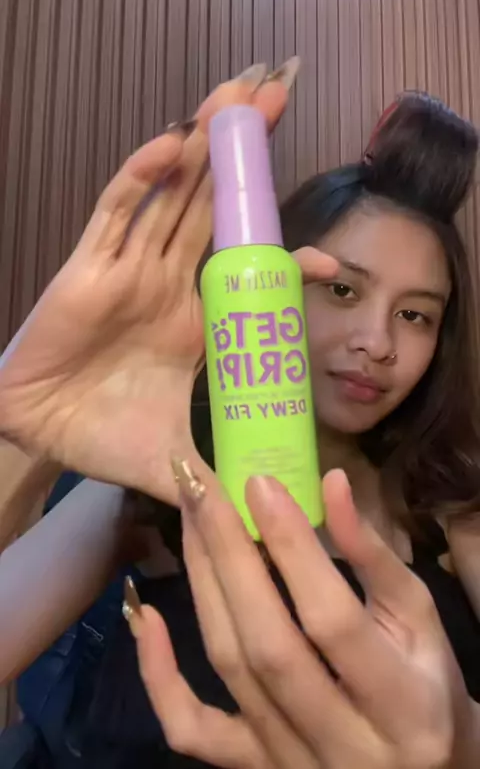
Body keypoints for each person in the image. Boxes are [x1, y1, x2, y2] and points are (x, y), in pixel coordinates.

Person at [0, 68, 479, 767]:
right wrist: (27, 427)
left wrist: (465, 744)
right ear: (276, 283)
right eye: (344, 290)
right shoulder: (171, 477)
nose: (377, 342)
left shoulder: (450, 506)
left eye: (414, 315)